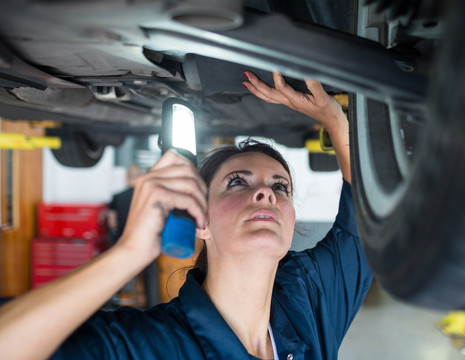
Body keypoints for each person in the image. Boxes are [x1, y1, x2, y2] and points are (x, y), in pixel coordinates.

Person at [0, 72, 373, 360]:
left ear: (292, 220)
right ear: (200, 220)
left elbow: (366, 219)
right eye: (237, 182)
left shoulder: (308, 295)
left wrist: (335, 120)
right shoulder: (148, 345)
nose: (266, 193)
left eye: (281, 187)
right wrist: (128, 252)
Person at [107, 164, 160, 309]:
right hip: (146, 243)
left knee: (119, 272)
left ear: (126, 178)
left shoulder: (117, 197)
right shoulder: (149, 198)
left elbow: (112, 223)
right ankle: (152, 304)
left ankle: (113, 300)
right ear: (142, 178)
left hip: (123, 244)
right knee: (150, 274)